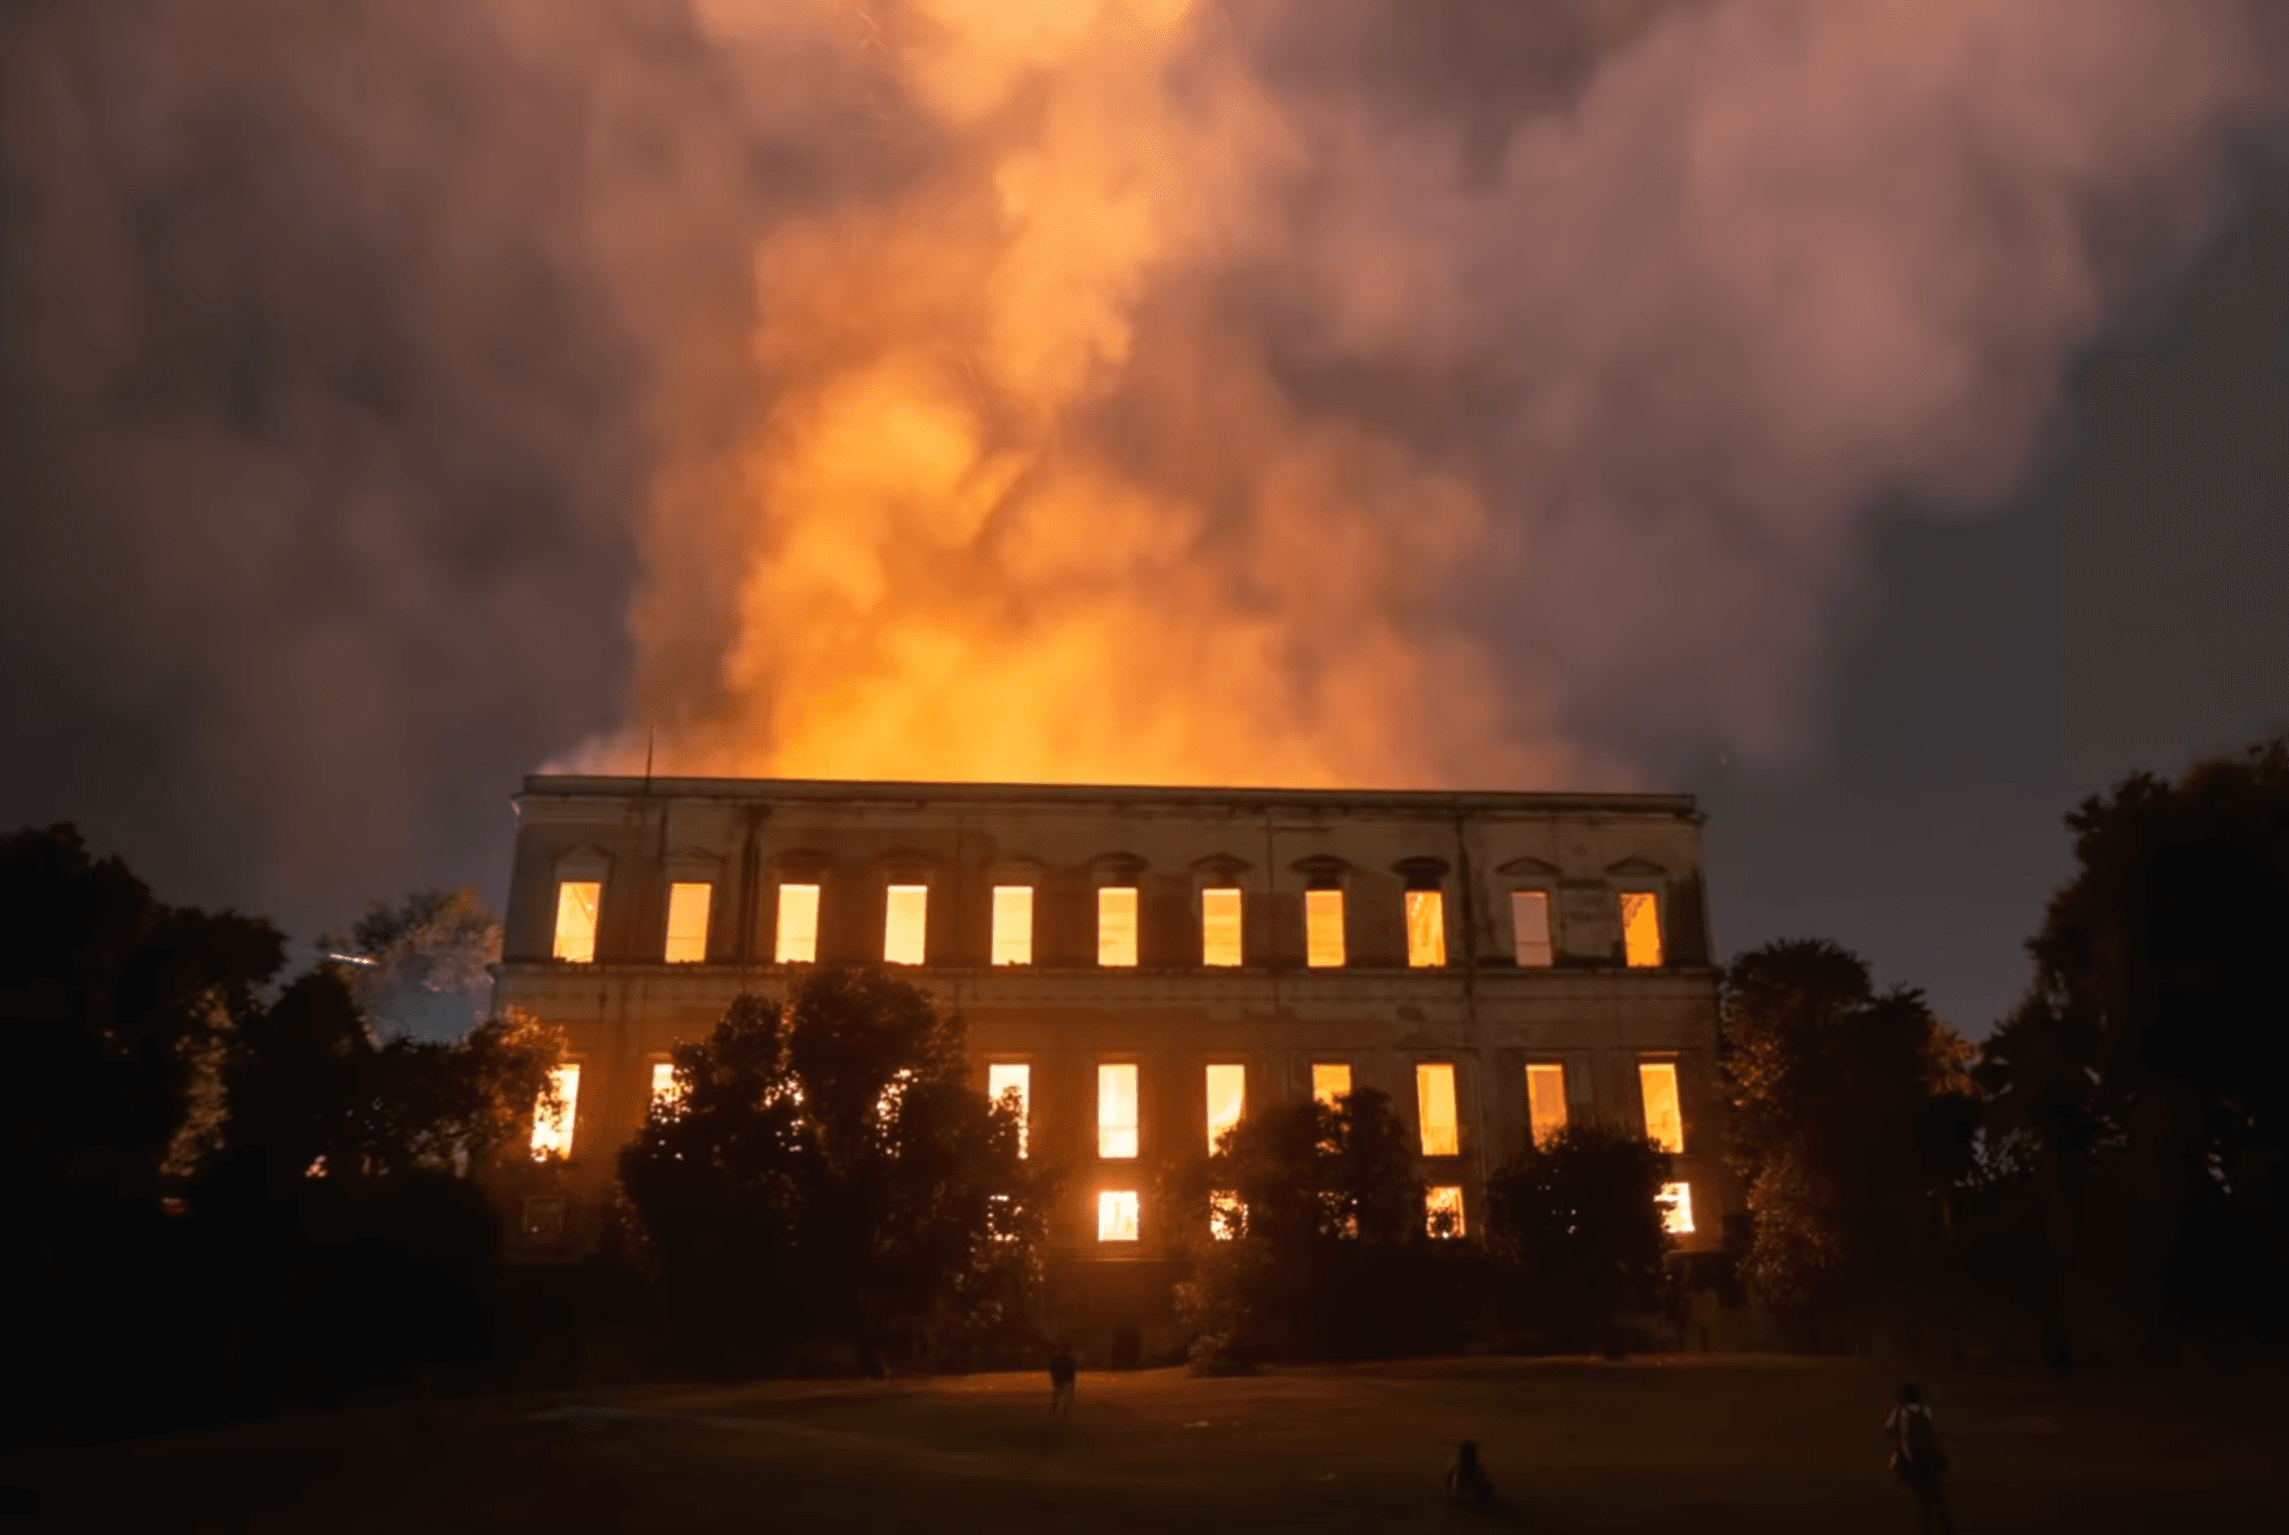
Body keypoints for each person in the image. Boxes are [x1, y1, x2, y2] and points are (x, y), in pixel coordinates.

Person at [1884, 1383, 1954, 1534]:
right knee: (1935, 1493)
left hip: (1908, 1459)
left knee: (1922, 1496)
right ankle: (1944, 1523)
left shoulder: (1899, 1411)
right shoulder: (1925, 1410)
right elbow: (1932, 1432)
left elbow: (1889, 1430)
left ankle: (1928, 1527)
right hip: (1927, 1455)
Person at [1445, 1440, 1494, 1507]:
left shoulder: (1456, 1467)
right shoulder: (1462, 1468)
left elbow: (1450, 1485)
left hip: (1461, 1496)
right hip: (1467, 1497)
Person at [1048, 1346, 1078, 1417]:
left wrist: (1054, 1377)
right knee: (1066, 1397)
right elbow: (1072, 1371)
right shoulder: (1070, 1359)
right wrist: (1072, 1381)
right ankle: (1063, 1412)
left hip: (1059, 1379)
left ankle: (1056, 1410)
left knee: (1057, 1396)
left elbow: (1051, 1368)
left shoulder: (1057, 1358)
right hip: (1066, 1380)